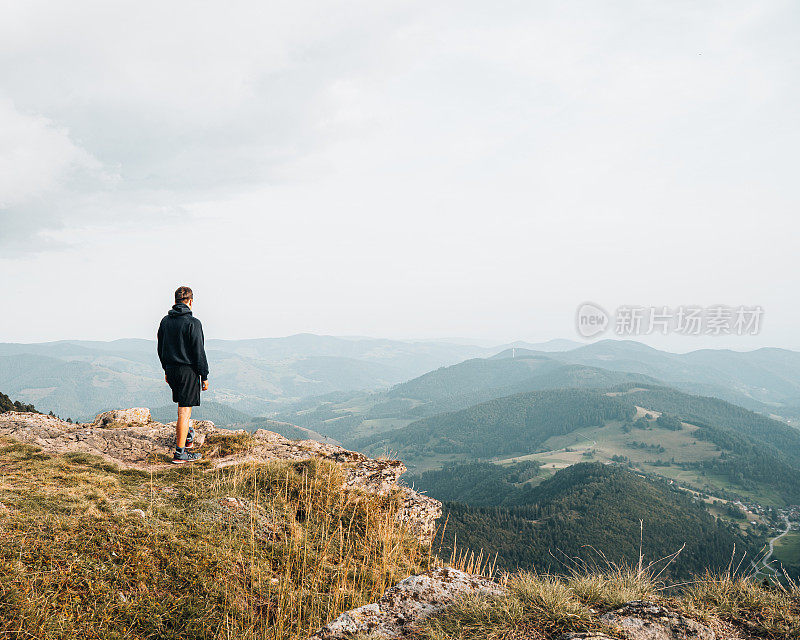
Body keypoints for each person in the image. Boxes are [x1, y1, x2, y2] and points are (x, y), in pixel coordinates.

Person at [157, 285, 209, 464]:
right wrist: (205, 375)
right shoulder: (193, 323)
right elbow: (199, 352)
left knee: (183, 407)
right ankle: (180, 453)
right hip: (188, 371)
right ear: (191, 301)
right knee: (184, 412)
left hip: (171, 369)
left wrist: (166, 369)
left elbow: (160, 348)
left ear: (175, 301)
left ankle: (187, 436)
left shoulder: (165, 321)